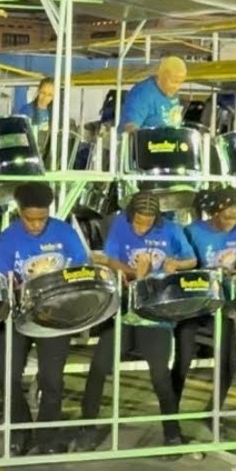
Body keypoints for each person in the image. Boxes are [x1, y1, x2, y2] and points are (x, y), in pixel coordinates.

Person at [79, 192, 196, 454]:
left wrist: (176, 264)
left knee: (160, 376)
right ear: (131, 215)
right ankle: (87, 427)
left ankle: (172, 434)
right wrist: (134, 273)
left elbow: (192, 260)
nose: (143, 227)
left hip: (155, 315)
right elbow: (110, 259)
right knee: (99, 367)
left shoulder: (172, 230)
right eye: (139, 222)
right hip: (124, 311)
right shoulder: (120, 225)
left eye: (148, 223)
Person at [0, 182, 88, 455]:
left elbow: (81, 268)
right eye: (29, 220)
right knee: (7, 375)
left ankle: (48, 436)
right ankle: (20, 431)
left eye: (42, 219)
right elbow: (1, 278)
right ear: (19, 212)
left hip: (56, 314)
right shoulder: (7, 238)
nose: (36, 226)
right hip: (19, 314)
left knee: (52, 380)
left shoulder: (64, 232)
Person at [174, 188, 236, 421]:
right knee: (183, 360)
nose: (231, 223)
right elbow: (185, 265)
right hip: (195, 300)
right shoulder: (192, 232)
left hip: (222, 300)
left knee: (230, 361)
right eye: (226, 218)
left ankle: (213, 412)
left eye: (235, 218)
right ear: (214, 213)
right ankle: (171, 414)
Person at [119, 56, 188, 132]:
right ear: (163, 75)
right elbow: (129, 127)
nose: (177, 87)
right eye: (174, 81)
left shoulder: (172, 93)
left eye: (180, 82)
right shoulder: (142, 93)